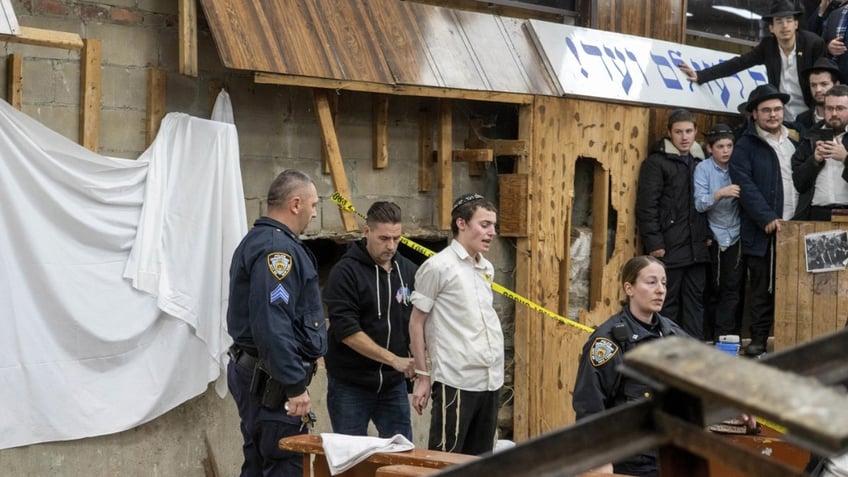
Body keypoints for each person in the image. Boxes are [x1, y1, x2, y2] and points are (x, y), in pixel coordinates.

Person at [226, 169, 327, 477]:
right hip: (272, 381)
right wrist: (294, 386)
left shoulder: (265, 241)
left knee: (258, 464)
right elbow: (272, 322)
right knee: (283, 463)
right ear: (295, 204)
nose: (313, 212)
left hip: (263, 373)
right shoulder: (277, 250)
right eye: (313, 204)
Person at [572, 255, 688, 476]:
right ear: (629, 288)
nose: (660, 290)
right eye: (651, 282)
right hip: (631, 458)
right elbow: (590, 404)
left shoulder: (671, 332)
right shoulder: (608, 341)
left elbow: (704, 373)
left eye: (663, 282)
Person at [408, 193, 504, 455]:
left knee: (481, 461)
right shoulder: (438, 267)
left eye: (493, 226)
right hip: (457, 380)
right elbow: (416, 323)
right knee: (446, 458)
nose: (491, 232)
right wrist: (424, 376)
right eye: (484, 225)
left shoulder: (486, 267)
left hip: (490, 378)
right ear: (461, 224)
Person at [322, 201, 418, 440]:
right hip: (350, 385)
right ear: (367, 232)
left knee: (402, 455)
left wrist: (418, 359)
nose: (391, 246)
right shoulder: (345, 273)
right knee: (351, 459)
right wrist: (393, 360)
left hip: (392, 387)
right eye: (384, 238)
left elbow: (417, 319)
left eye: (396, 238)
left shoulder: (407, 271)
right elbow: (347, 331)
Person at [730, 84, 801, 357]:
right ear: (754, 114)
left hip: (798, 224)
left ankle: (794, 339)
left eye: (777, 109)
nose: (773, 115)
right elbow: (743, 185)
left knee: (797, 285)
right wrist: (766, 217)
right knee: (763, 287)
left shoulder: (797, 137)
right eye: (766, 110)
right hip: (766, 228)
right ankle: (759, 339)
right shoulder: (745, 145)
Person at [678, 0, 825, 121]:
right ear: (772, 28)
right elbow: (739, 63)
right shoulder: (768, 46)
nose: (784, 26)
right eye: (779, 21)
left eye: (789, 20)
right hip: (781, 116)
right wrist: (701, 75)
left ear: (796, 24)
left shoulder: (812, 44)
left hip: (810, 115)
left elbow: (826, 79)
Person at [635, 109, 711, 339]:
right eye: (678, 132)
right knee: (667, 303)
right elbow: (647, 206)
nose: (684, 137)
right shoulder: (657, 163)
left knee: (695, 303)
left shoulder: (702, 162)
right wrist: (655, 242)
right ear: (669, 133)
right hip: (669, 246)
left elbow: (707, 202)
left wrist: (707, 234)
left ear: (696, 132)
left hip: (697, 248)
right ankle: (667, 355)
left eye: (689, 131)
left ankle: (693, 354)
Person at [694, 124, 746, 341]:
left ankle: (725, 337)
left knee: (733, 288)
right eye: (720, 146)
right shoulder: (703, 169)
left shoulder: (739, 165)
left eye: (729, 145)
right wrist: (720, 193)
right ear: (709, 149)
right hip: (713, 235)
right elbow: (699, 203)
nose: (726, 151)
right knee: (712, 288)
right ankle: (709, 335)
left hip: (736, 234)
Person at [792, 84, 848, 220]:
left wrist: (845, 158)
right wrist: (814, 161)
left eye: (840, 108)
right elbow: (799, 183)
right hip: (816, 214)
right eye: (829, 108)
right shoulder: (809, 137)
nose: (834, 113)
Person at [796, 57, 841, 132]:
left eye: (824, 84)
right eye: (813, 85)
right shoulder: (802, 120)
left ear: (836, 85)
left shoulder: (845, 117)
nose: (818, 90)